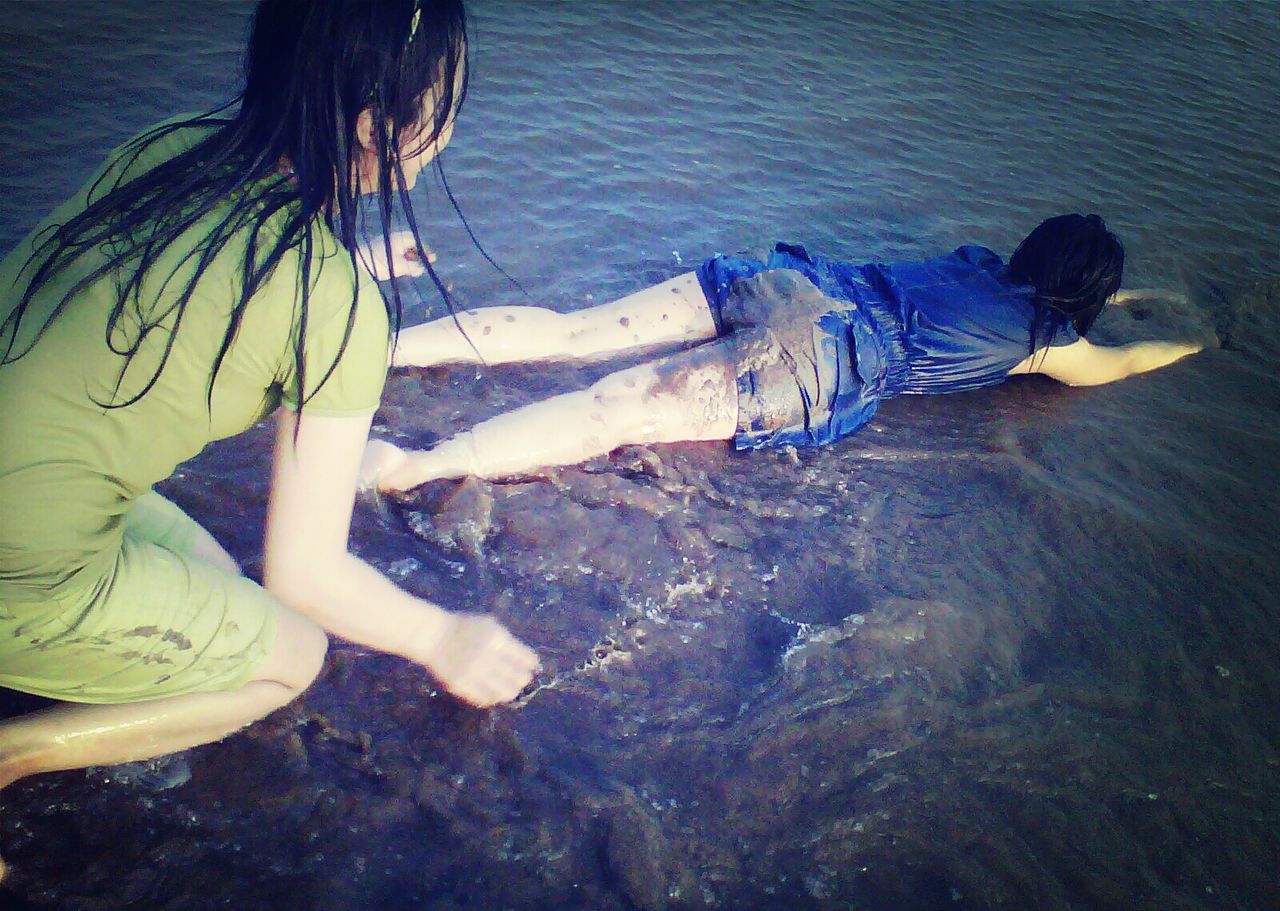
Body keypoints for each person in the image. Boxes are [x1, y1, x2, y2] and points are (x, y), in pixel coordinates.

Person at [0, 0, 540, 801]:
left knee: (219, 580)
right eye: (442, 111)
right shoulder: (333, 306)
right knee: (289, 653)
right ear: (372, 127)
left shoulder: (172, 147)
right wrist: (442, 636)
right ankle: (12, 756)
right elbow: (305, 575)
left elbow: (214, 269)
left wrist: (344, 260)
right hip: (20, 563)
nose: (450, 134)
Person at [357, 214, 1206, 490]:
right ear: (1083, 303)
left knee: (575, 332)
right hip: (826, 356)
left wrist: (1124, 294)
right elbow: (1125, 361)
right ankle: (418, 466)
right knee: (610, 413)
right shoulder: (1046, 344)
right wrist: (1196, 336)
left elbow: (1043, 279)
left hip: (798, 285)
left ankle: (381, 345)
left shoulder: (975, 264)